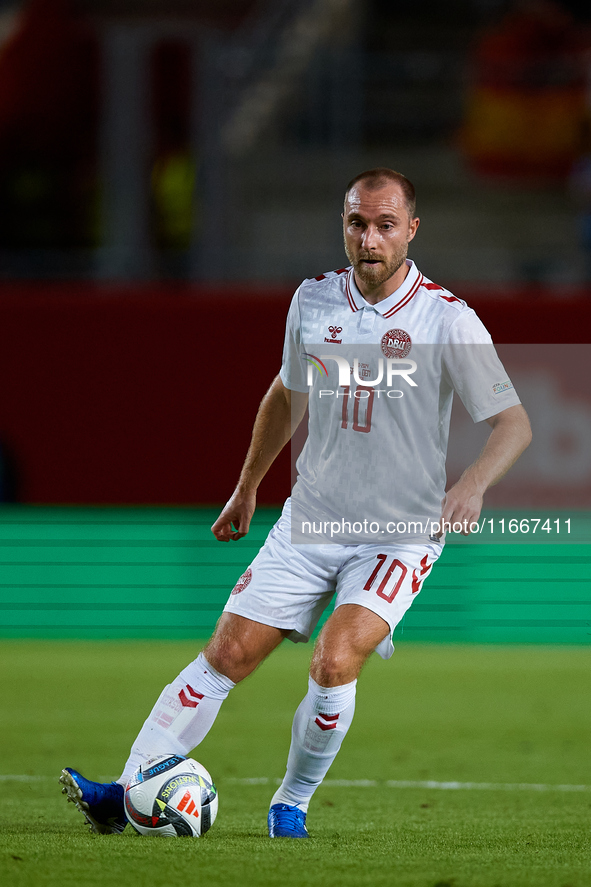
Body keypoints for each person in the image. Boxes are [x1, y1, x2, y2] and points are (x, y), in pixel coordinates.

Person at [59, 168, 532, 838]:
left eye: (384, 224)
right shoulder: (313, 301)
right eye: (356, 223)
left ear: (411, 230)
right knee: (226, 653)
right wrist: (248, 483)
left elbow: (513, 422)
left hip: (398, 533)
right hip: (309, 519)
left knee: (335, 658)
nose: (368, 238)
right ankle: (129, 790)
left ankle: (292, 802)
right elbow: (286, 395)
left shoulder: (446, 318)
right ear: (343, 224)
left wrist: (473, 482)